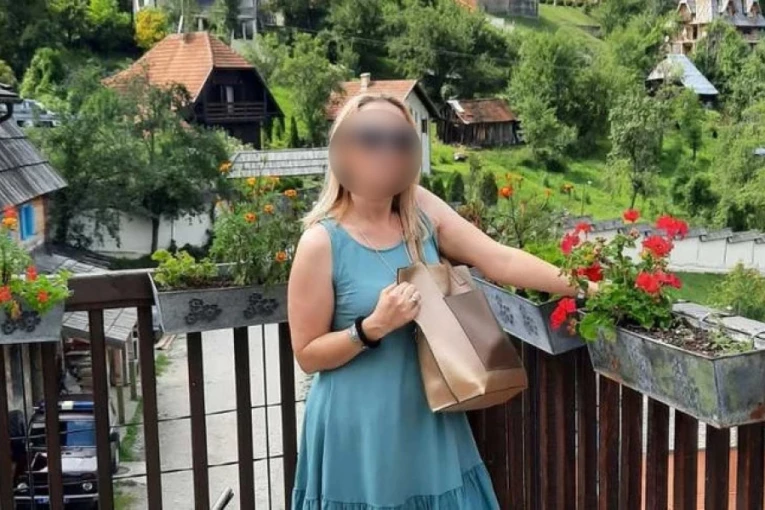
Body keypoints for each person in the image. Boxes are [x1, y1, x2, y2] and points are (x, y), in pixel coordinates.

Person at [288, 94, 591, 510]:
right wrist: (372, 326)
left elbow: (499, 259)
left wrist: (586, 288)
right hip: (359, 431)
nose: (387, 150)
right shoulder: (321, 242)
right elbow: (307, 354)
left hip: (429, 416)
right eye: (371, 138)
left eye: (400, 140)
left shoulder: (420, 211)